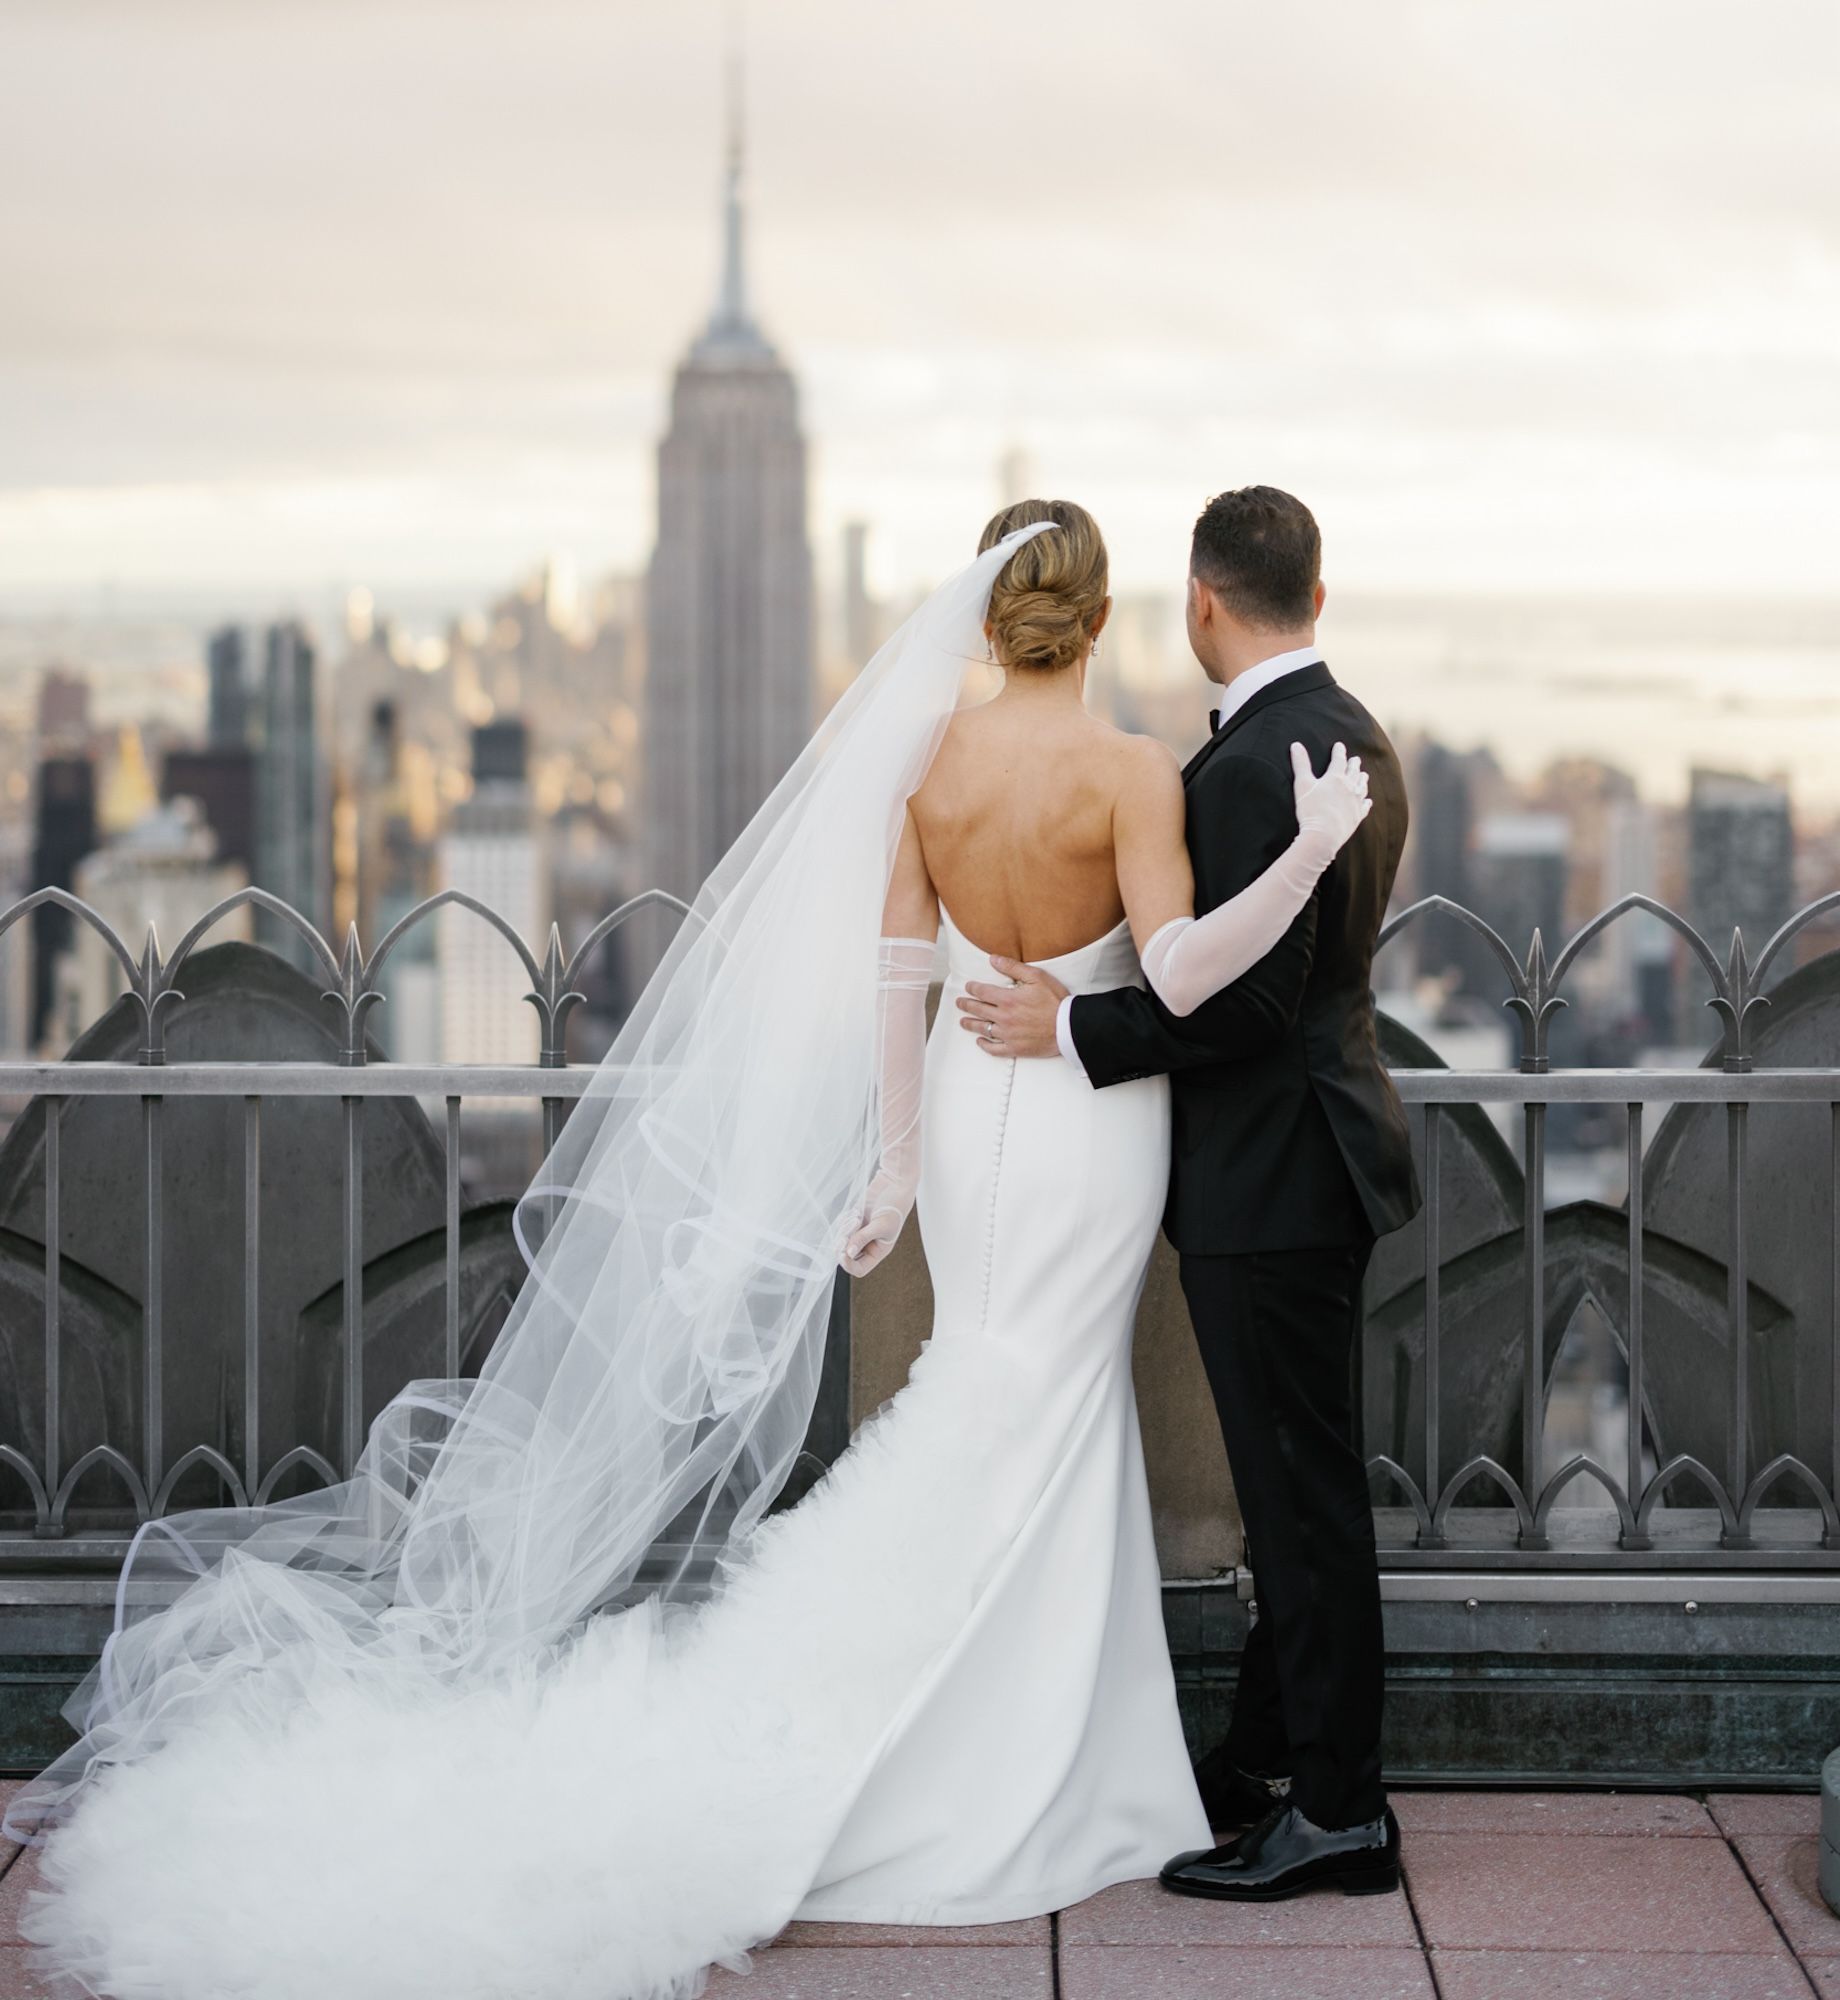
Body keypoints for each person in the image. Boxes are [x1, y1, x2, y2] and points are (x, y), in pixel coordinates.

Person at [4, 501, 1375, 2000]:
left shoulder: (926, 767)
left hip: (975, 1108)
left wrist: (898, 1166)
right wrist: (1304, 858)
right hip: (1087, 1132)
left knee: (993, 1386)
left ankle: (1025, 1737)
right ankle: (1032, 1761)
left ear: (983, 621)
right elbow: (1175, 972)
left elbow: (901, 969)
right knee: (1046, 1405)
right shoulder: (1129, 775)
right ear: (1108, 619)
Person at [957, 485, 1422, 1902]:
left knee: (1301, 1507)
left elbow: (1232, 1002)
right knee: (1302, 1488)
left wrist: (1074, 1031)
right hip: (1322, 1157)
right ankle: (1268, 1752)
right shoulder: (1363, 740)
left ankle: (1338, 1810)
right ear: (1318, 599)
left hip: (1268, 1180)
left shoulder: (1246, 768)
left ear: (1203, 603)